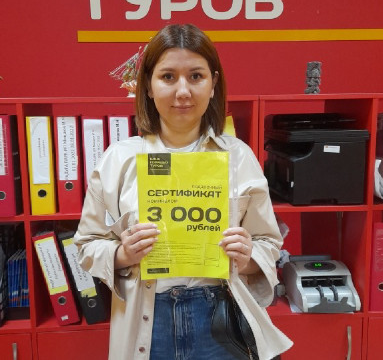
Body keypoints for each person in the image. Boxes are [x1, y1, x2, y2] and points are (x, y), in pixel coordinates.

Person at [74, 24, 293, 360]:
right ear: (148, 86)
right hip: (148, 320)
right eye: (167, 77)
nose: (182, 91)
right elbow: (87, 245)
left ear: (213, 83)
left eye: (195, 76)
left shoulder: (238, 157)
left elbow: (268, 242)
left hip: (220, 316)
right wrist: (123, 254)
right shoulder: (118, 159)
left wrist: (247, 257)